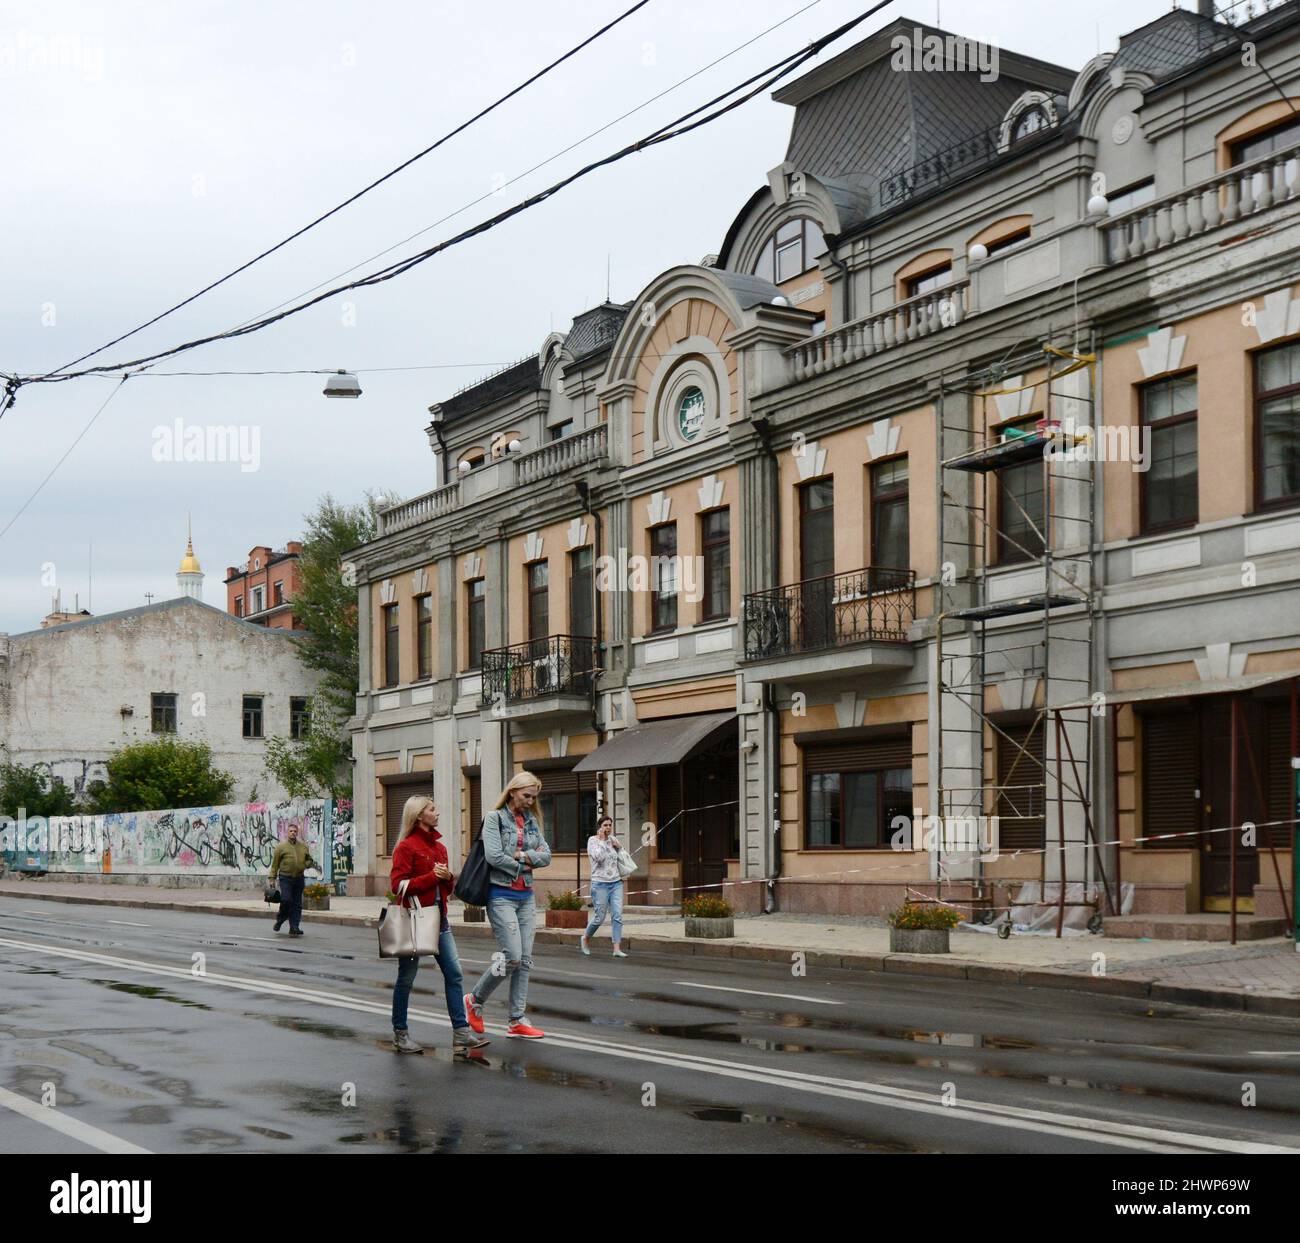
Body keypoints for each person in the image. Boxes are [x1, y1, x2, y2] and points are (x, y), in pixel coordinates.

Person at [389, 796, 489, 1054]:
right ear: (419, 815)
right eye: (432, 809)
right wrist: (430, 877)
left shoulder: (440, 848)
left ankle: (461, 1032)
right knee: (406, 979)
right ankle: (400, 1034)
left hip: (440, 920)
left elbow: (446, 888)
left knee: (454, 974)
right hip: (413, 920)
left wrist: (447, 879)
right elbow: (397, 886)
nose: (437, 813)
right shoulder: (406, 847)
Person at [464, 772, 551, 1039]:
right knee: (512, 956)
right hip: (500, 895)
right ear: (512, 792)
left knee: (524, 961)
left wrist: (521, 855)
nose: (529, 801)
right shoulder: (494, 818)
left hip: (526, 897)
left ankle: (516, 1019)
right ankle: (475, 1000)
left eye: (533, 797)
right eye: (526, 796)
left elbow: (546, 855)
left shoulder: (532, 821)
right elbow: (493, 856)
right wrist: (525, 862)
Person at [581, 816, 627, 958]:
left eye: (610, 825)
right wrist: (601, 841)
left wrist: (619, 848)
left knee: (617, 915)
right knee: (599, 917)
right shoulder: (593, 841)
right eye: (605, 825)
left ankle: (617, 948)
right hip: (600, 884)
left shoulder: (613, 840)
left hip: (616, 883)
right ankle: (585, 938)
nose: (608, 828)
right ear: (599, 827)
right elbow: (598, 857)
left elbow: (623, 859)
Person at [269, 822, 316, 937]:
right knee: (286, 900)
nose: (293, 833)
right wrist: (272, 878)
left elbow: (309, 860)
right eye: (291, 831)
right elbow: (275, 864)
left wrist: (307, 864)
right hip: (285, 877)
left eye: (295, 831)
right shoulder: (281, 847)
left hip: (299, 878)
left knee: (297, 904)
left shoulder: (303, 847)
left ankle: (294, 927)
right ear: (287, 832)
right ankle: (281, 919)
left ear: (297, 833)